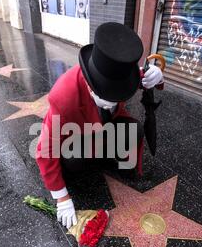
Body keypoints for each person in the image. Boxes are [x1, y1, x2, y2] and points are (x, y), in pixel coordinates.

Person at [36, 22, 164, 229]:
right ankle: (92, 161)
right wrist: (61, 198)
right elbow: (45, 150)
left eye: (117, 95)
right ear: (89, 82)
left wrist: (156, 77)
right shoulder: (63, 96)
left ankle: (111, 160)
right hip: (76, 137)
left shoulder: (121, 74)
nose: (112, 101)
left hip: (104, 127)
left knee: (135, 130)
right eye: (106, 94)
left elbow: (143, 77)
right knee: (74, 161)